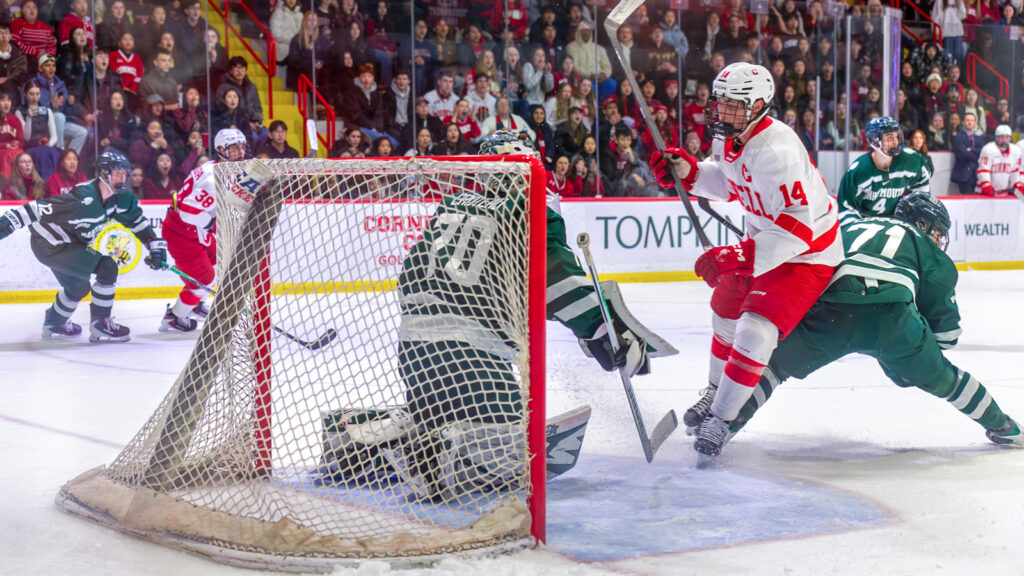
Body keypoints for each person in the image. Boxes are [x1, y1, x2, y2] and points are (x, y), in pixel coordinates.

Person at [386, 130, 673, 499]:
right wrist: (602, 330)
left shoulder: (452, 205)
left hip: (412, 350)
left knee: (437, 416)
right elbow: (556, 280)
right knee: (511, 448)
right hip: (474, 358)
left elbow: (413, 271)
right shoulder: (530, 207)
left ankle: (397, 438)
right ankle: (442, 454)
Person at [647, 62, 843, 457]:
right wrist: (689, 172)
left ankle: (723, 418)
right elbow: (730, 183)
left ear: (758, 106)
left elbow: (798, 229)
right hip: (767, 243)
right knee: (724, 308)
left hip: (808, 254)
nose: (721, 112)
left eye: (732, 105)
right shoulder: (731, 137)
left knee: (756, 328)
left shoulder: (778, 150)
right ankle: (715, 390)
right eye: (719, 103)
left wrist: (738, 255)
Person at [721, 194, 1022, 449]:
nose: (938, 240)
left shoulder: (849, 225)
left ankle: (724, 424)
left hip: (831, 312)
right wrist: (921, 354)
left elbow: (808, 261)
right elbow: (948, 334)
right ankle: (1004, 426)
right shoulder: (924, 245)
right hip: (894, 320)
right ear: (921, 224)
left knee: (774, 367)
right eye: (937, 232)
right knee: (947, 380)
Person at [0, 151, 166, 342]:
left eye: (125, 173)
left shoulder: (121, 198)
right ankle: (101, 324)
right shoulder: (84, 197)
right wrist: (5, 224)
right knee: (107, 266)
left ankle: (54, 322)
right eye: (118, 173)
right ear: (104, 173)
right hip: (50, 245)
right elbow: (35, 209)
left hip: (65, 246)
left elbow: (135, 220)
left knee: (78, 287)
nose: (124, 178)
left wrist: (152, 243)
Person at [160, 129, 248, 333]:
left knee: (220, 256)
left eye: (242, 147)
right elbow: (189, 213)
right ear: (221, 150)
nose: (241, 153)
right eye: (234, 149)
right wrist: (215, 223)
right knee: (204, 281)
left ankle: (195, 302)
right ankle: (173, 317)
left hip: (191, 229)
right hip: (182, 233)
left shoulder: (216, 167)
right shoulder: (211, 180)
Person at [837, 116, 932, 218]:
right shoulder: (859, 170)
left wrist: (918, 210)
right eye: (889, 138)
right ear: (874, 140)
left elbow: (923, 183)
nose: (895, 142)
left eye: (896, 137)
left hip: (895, 222)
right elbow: (846, 212)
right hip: (866, 224)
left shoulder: (911, 159)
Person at [976, 124, 1023, 196]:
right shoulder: (988, 149)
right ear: (996, 138)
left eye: (1007, 137)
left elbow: (1015, 172)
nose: (1004, 140)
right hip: (986, 193)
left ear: (1010, 138)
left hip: (1004, 192)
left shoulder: (1015, 151)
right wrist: (986, 185)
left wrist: (1017, 184)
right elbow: (983, 170)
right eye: (1001, 137)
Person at [950, 112, 984, 195]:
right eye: (967, 120)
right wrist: (977, 157)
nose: (970, 122)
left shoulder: (978, 138)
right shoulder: (958, 137)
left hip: (977, 174)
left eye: (972, 120)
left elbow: (982, 152)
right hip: (964, 174)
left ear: (975, 123)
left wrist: (972, 150)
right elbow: (963, 153)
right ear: (963, 122)